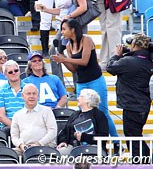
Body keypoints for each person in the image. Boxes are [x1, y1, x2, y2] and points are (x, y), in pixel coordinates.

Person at [51, 19, 120, 152]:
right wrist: (62, 59)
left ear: (73, 30)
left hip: (95, 79)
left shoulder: (87, 40)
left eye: (64, 29)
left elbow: (84, 61)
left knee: (103, 112)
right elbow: (74, 69)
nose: (62, 32)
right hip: (81, 82)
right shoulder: (70, 46)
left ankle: (116, 142)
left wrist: (64, 59)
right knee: (83, 112)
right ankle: (93, 143)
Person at [106, 33, 153, 160]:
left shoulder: (128, 61)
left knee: (132, 137)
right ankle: (144, 158)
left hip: (132, 106)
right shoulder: (148, 61)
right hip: (142, 105)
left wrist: (117, 54)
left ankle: (140, 161)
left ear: (134, 44)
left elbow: (110, 67)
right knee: (136, 135)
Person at [56, 89, 109, 155]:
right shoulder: (75, 114)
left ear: (88, 99)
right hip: (72, 146)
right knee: (58, 153)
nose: (77, 98)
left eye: (81, 96)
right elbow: (64, 131)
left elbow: (104, 137)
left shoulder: (99, 115)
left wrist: (84, 137)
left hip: (93, 146)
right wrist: (64, 141)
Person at [11, 83, 57, 155]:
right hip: (24, 149)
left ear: (38, 96)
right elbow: (14, 136)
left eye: (34, 93)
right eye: (28, 94)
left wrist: (39, 143)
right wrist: (21, 145)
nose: (31, 96)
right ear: (23, 96)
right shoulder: (17, 115)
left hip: (45, 147)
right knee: (9, 154)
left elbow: (53, 131)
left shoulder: (47, 111)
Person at [0, 60, 25, 128]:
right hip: (9, 126)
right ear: (5, 74)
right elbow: (1, 116)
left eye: (16, 70)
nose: (14, 73)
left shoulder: (29, 88)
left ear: (19, 71)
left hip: (28, 124)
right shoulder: (0, 91)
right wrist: (16, 128)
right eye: (10, 72)